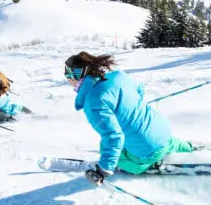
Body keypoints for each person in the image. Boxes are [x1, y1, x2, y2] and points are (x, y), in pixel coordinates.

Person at [64, 51, 197, 186]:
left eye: (67, 75)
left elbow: (113, 137)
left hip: (147, 148)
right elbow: (139, 89)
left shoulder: (92, 102)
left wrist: (103, 170)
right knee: (166, 142)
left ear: (76, 76)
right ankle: (190, 148)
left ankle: (147, 165)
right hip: (162, 129)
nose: (67, 80)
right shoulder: (118, 76)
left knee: (108, 148)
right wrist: (130, 106)